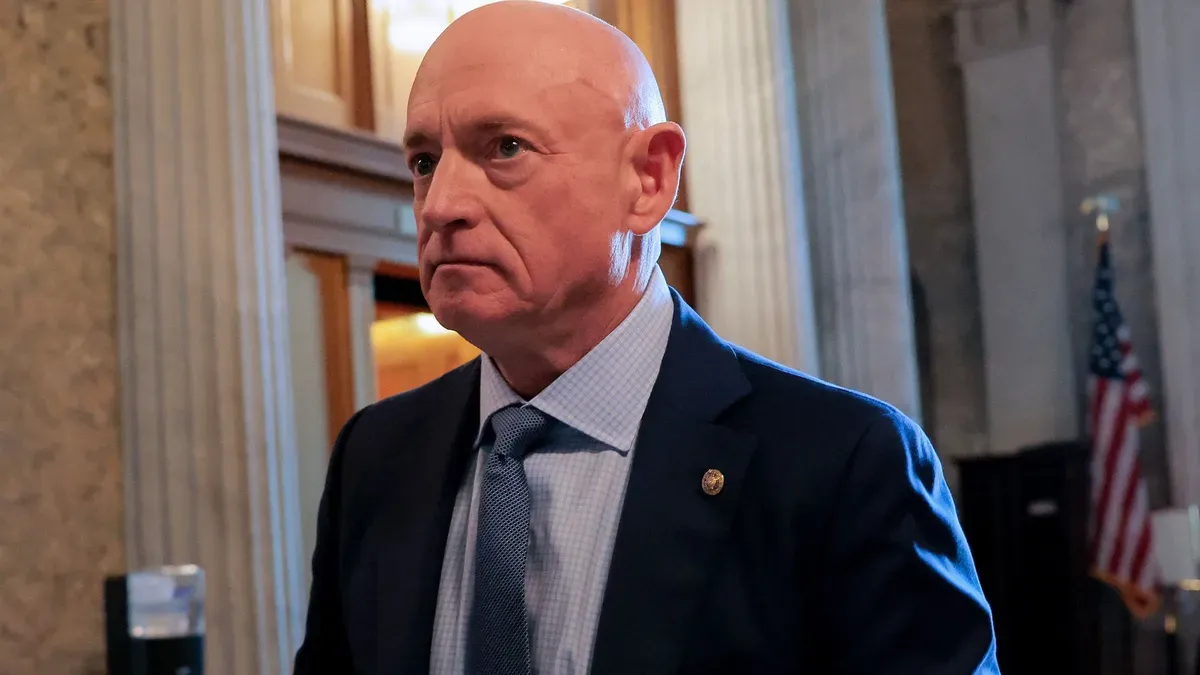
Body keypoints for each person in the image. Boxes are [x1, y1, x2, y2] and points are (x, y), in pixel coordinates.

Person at [293, 2, 999, 673]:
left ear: (649, 178)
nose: (440, 204)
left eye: (504, 148)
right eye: (423, 161)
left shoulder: (843, 464)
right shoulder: (376, 458)